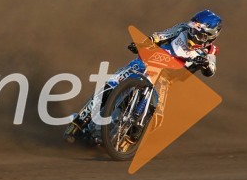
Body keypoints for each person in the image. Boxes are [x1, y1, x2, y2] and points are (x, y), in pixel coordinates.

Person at [64, 10, 222, 141]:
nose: (193, 35)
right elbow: (160, 36)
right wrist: (143, 44)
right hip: (147, 62)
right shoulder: (181, 29)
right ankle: (78, 123)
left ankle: (131, 138)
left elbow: (211, 70)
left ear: (210, 37)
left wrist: (206, 64)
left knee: (156, 117)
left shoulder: (209, 52)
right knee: (111, 84)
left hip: (166, 79)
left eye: (198, 34)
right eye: (192, 30)